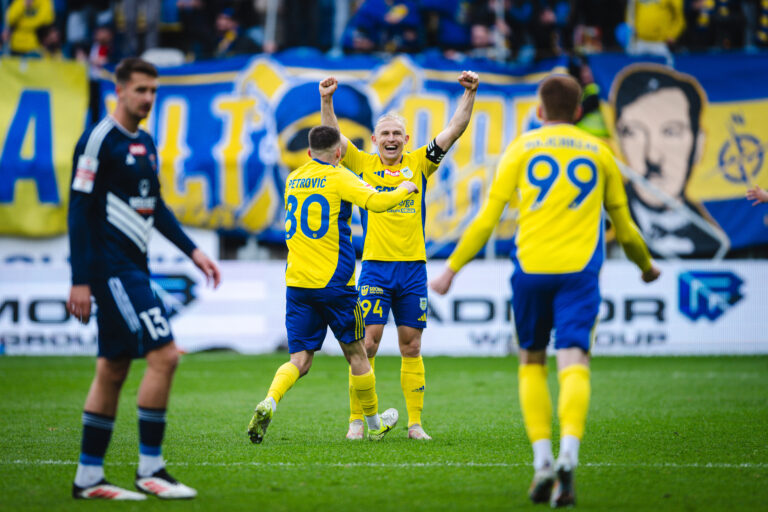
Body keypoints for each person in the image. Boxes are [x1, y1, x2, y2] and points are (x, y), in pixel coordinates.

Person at [430, 74, 660, 507]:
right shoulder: (600, 152)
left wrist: (451, 270)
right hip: (579, 273)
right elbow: (625, 228)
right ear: (578, 112)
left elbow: (486, 220)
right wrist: (646, 267)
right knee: (574, 361)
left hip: (530, 270)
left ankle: (542, 462)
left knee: (532, 362)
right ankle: (569, 453)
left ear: (539, 111)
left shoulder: (520, 149)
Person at [67, 57, 221, 500]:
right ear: (119, 91)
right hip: (111, 269)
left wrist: (193, 251)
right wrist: (80, 279)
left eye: (154, 90)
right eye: (141, 90)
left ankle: (88, 478)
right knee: (165, 356)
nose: (149, 98)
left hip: (135, 266)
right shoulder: (98, 140)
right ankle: (151, 470)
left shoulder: (146, 142)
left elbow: (156, 206)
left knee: (112, 368)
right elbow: (78, 209)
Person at [320, 70, 479, 441]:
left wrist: (470, 93)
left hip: (413, 271)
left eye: (397, 134)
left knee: (412, 344)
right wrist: (327, 100)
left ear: (406, 140)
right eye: (385, 134)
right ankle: (357, 422)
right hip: (375, 268)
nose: (391, 139)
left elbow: (455, 129)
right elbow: (332, 136)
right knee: (367, 344)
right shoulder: (362, 164)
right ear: (375, 140)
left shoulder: (421, 161)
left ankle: (415, 425)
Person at [247, 125, 419, 444]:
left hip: (297, 283)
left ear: (309, 152)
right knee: (358, 354)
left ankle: (270, 400)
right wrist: (404, 189)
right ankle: (374, 424)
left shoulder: (293, 178)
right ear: (339, 153)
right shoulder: (340, 177)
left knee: (299, 360)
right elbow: (376, 203)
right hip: (334, 284)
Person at [612, 64, 726, 258]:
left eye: (671, 132)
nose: (652, 156)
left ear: (699, 144)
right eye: (634, 132)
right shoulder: (604, 223)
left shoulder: (715, 241)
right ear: (619, 140)